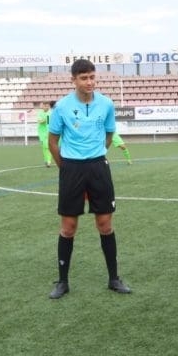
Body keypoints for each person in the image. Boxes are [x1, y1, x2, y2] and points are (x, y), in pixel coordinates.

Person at [46, 59, 131, 299]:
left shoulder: (106, 104)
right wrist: (65, 167)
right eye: (84, 78)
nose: (89, 82)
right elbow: (52, 142)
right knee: (68, 227)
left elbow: (109, 132)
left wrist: (97, 154)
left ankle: (114, 278)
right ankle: (63, 282)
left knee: (105, 224)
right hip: (71, 168)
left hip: (98, 167)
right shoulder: (62, 107)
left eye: (92, 77)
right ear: (73, 80)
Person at [37, 101, 54, 167]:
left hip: (48, 133)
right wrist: (45, 119)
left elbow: (49, 123)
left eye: (47, 106)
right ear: (43, 106)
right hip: (41, 133)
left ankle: (49, 161)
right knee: (44, 147)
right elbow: (40, 121)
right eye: (45, 105)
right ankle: (46, 160)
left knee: (48, 147)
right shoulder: (40, 113)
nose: (46, 107)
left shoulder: (50, 113)